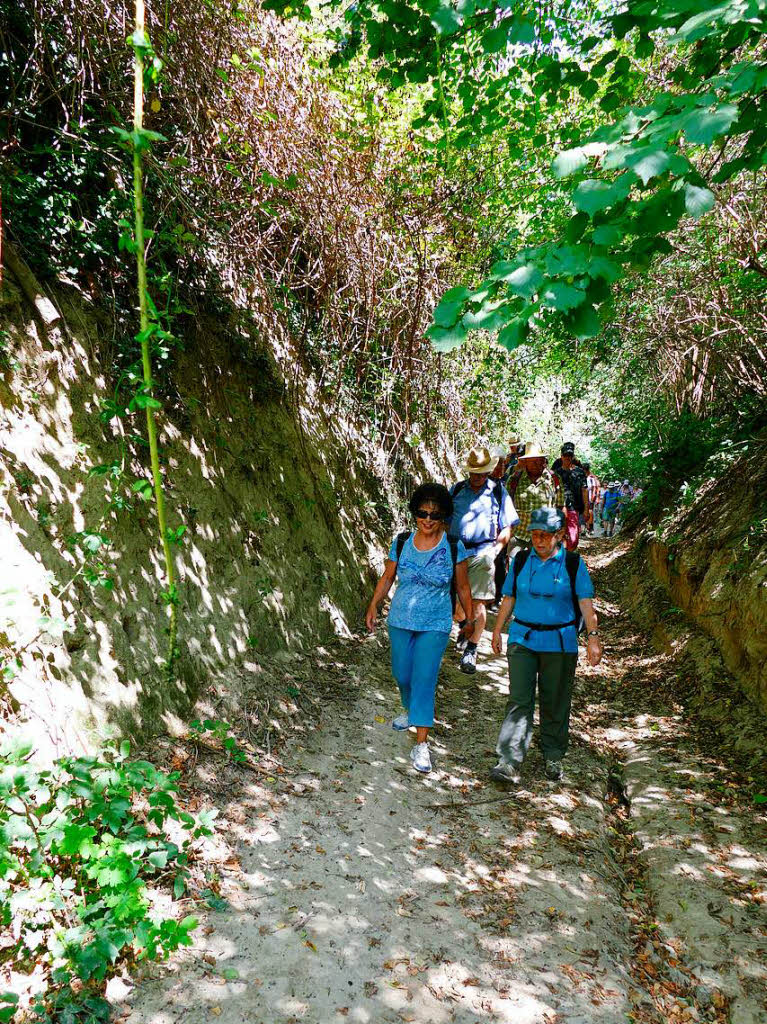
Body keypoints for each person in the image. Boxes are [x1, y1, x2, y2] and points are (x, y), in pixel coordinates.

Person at [366, 483, 474, 774]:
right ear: (414, 513)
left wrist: (470, 618)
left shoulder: (453, 546)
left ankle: (422, 743)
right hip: (400, 620)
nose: (427, 519)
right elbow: (388, 577)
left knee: (424, 678)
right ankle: (409, 709)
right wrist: (374, 604)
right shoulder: (401, 542)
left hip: (435, 623)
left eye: (435, 515)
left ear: (444, 517)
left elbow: (463, 586)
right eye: (422, 513)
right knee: (402, 674)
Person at [489, 506, 603, 783]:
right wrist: (496, 630)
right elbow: (509, 597)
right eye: (535, 535)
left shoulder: (573, 564)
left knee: (555, 699)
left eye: (545, 535)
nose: (539, 541)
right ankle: (510, 760)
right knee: (519, 699)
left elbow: (585, 603)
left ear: (560, 535)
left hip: (560, 643)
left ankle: (553, 754)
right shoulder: (521, 560)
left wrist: (593, 637)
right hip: (523, 639)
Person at [449, 447, 519, 675]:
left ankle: (472, 648)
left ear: (488, 472)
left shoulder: (498, 491)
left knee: (478, 604)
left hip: (483, 553)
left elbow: (507, 526)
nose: (477, 477)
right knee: (456, 606)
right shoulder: (457, 490)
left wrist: (496, 550)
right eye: (473, 473)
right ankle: (464, 623)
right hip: (455, 552)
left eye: (481, 473)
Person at [508, 442, 565, 554]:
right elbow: (507, 507)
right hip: (519, 536)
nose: (535, 463)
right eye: (531, 460)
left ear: (543, 460)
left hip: (546, 536)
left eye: (538, 460)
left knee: (543, 570)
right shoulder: (515, 479)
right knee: (517, 569)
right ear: (525, 462)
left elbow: (560, 506)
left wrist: (562, 531)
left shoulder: (554, 479)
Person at [552, 442, 588, 551]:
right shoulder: (556, 473)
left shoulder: (580, 472)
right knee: (559, 536)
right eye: (565, 455)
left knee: (573, 539)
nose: (568, 458)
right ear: (561, 456)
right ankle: (562, 561)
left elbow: (584, 490)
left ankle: (568, 555)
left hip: (574, 509)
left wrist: (586, 509)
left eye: (570, 456)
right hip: (558, 509)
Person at [489, 445, 510, 610]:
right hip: (486, 534)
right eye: (498, 465)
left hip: (500, 532)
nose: (500, 468)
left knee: (500, 564)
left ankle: (496, 598)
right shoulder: (485, 483)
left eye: (502, 465)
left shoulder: (502, 485)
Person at [583, 462, 600, 536]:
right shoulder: (581, 477)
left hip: (589, 499)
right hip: (582, 499)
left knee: (590, 512)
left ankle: (590, 527)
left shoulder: (591, 478)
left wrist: (593, 498)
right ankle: (584, 528)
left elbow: (594, 489)